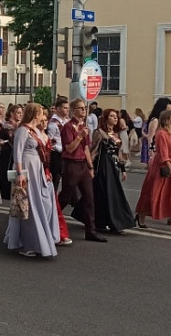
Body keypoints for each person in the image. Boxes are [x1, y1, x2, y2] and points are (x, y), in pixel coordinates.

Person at [4, 103, 60, 258]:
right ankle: (28, 242)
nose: (43, 116)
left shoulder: (36, 131)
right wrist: (20, 173)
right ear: (35, 114)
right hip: (27, 169)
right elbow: (18, 153)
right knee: (28, 206)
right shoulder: (23, 130)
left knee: (41, 203)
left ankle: (39, 238)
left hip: (38, 168)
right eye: (41, 113)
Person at [73, 109, 135, 234]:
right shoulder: (99, 133)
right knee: (103, 192)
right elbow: (93, 150)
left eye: (116, 116)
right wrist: (90, 167)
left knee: (111, 193)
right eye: (112, 116)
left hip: (113, 166)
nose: (115, 118)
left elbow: (118, 154)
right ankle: (102, 222)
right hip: (103, 166)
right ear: (106, 118)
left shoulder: (115, 133)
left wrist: (123, 169)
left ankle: (113, 221)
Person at [59, 99, 106, 242]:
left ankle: (90, 230)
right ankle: (52, 218)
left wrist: (90, 166)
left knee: (89, 197)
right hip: (71, 164)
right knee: (66, 196)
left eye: (84, 109)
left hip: (82, 164)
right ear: (74, 111)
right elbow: (70, 148)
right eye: (80, 109)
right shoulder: (68, 127)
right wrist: (79, 136)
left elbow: (86, 148)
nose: (83, 111)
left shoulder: (83, 126)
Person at [0, 104, 23, 200]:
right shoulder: (7, 125)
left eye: (21, 113)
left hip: (14, 153)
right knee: (6, 173)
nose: (20, 115)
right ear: (12, 113)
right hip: (7, 153)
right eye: (18, 113)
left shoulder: (18, 125)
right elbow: (13, 139)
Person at [141, 98, 171, 166]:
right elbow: (151, 138)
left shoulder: (164, 121)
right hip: (157, 151)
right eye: (169, 105)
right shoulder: (155, 120)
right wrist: (151, 154)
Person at [47, 98, 70, 190]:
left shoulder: (68, 121)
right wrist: (57, 148)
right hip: (57, 153)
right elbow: (50, 140)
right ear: (58, 109)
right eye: (65, 108)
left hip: (67, 152)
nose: (67, 110)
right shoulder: (53, 123)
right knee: (56, 178)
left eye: (68, 108)